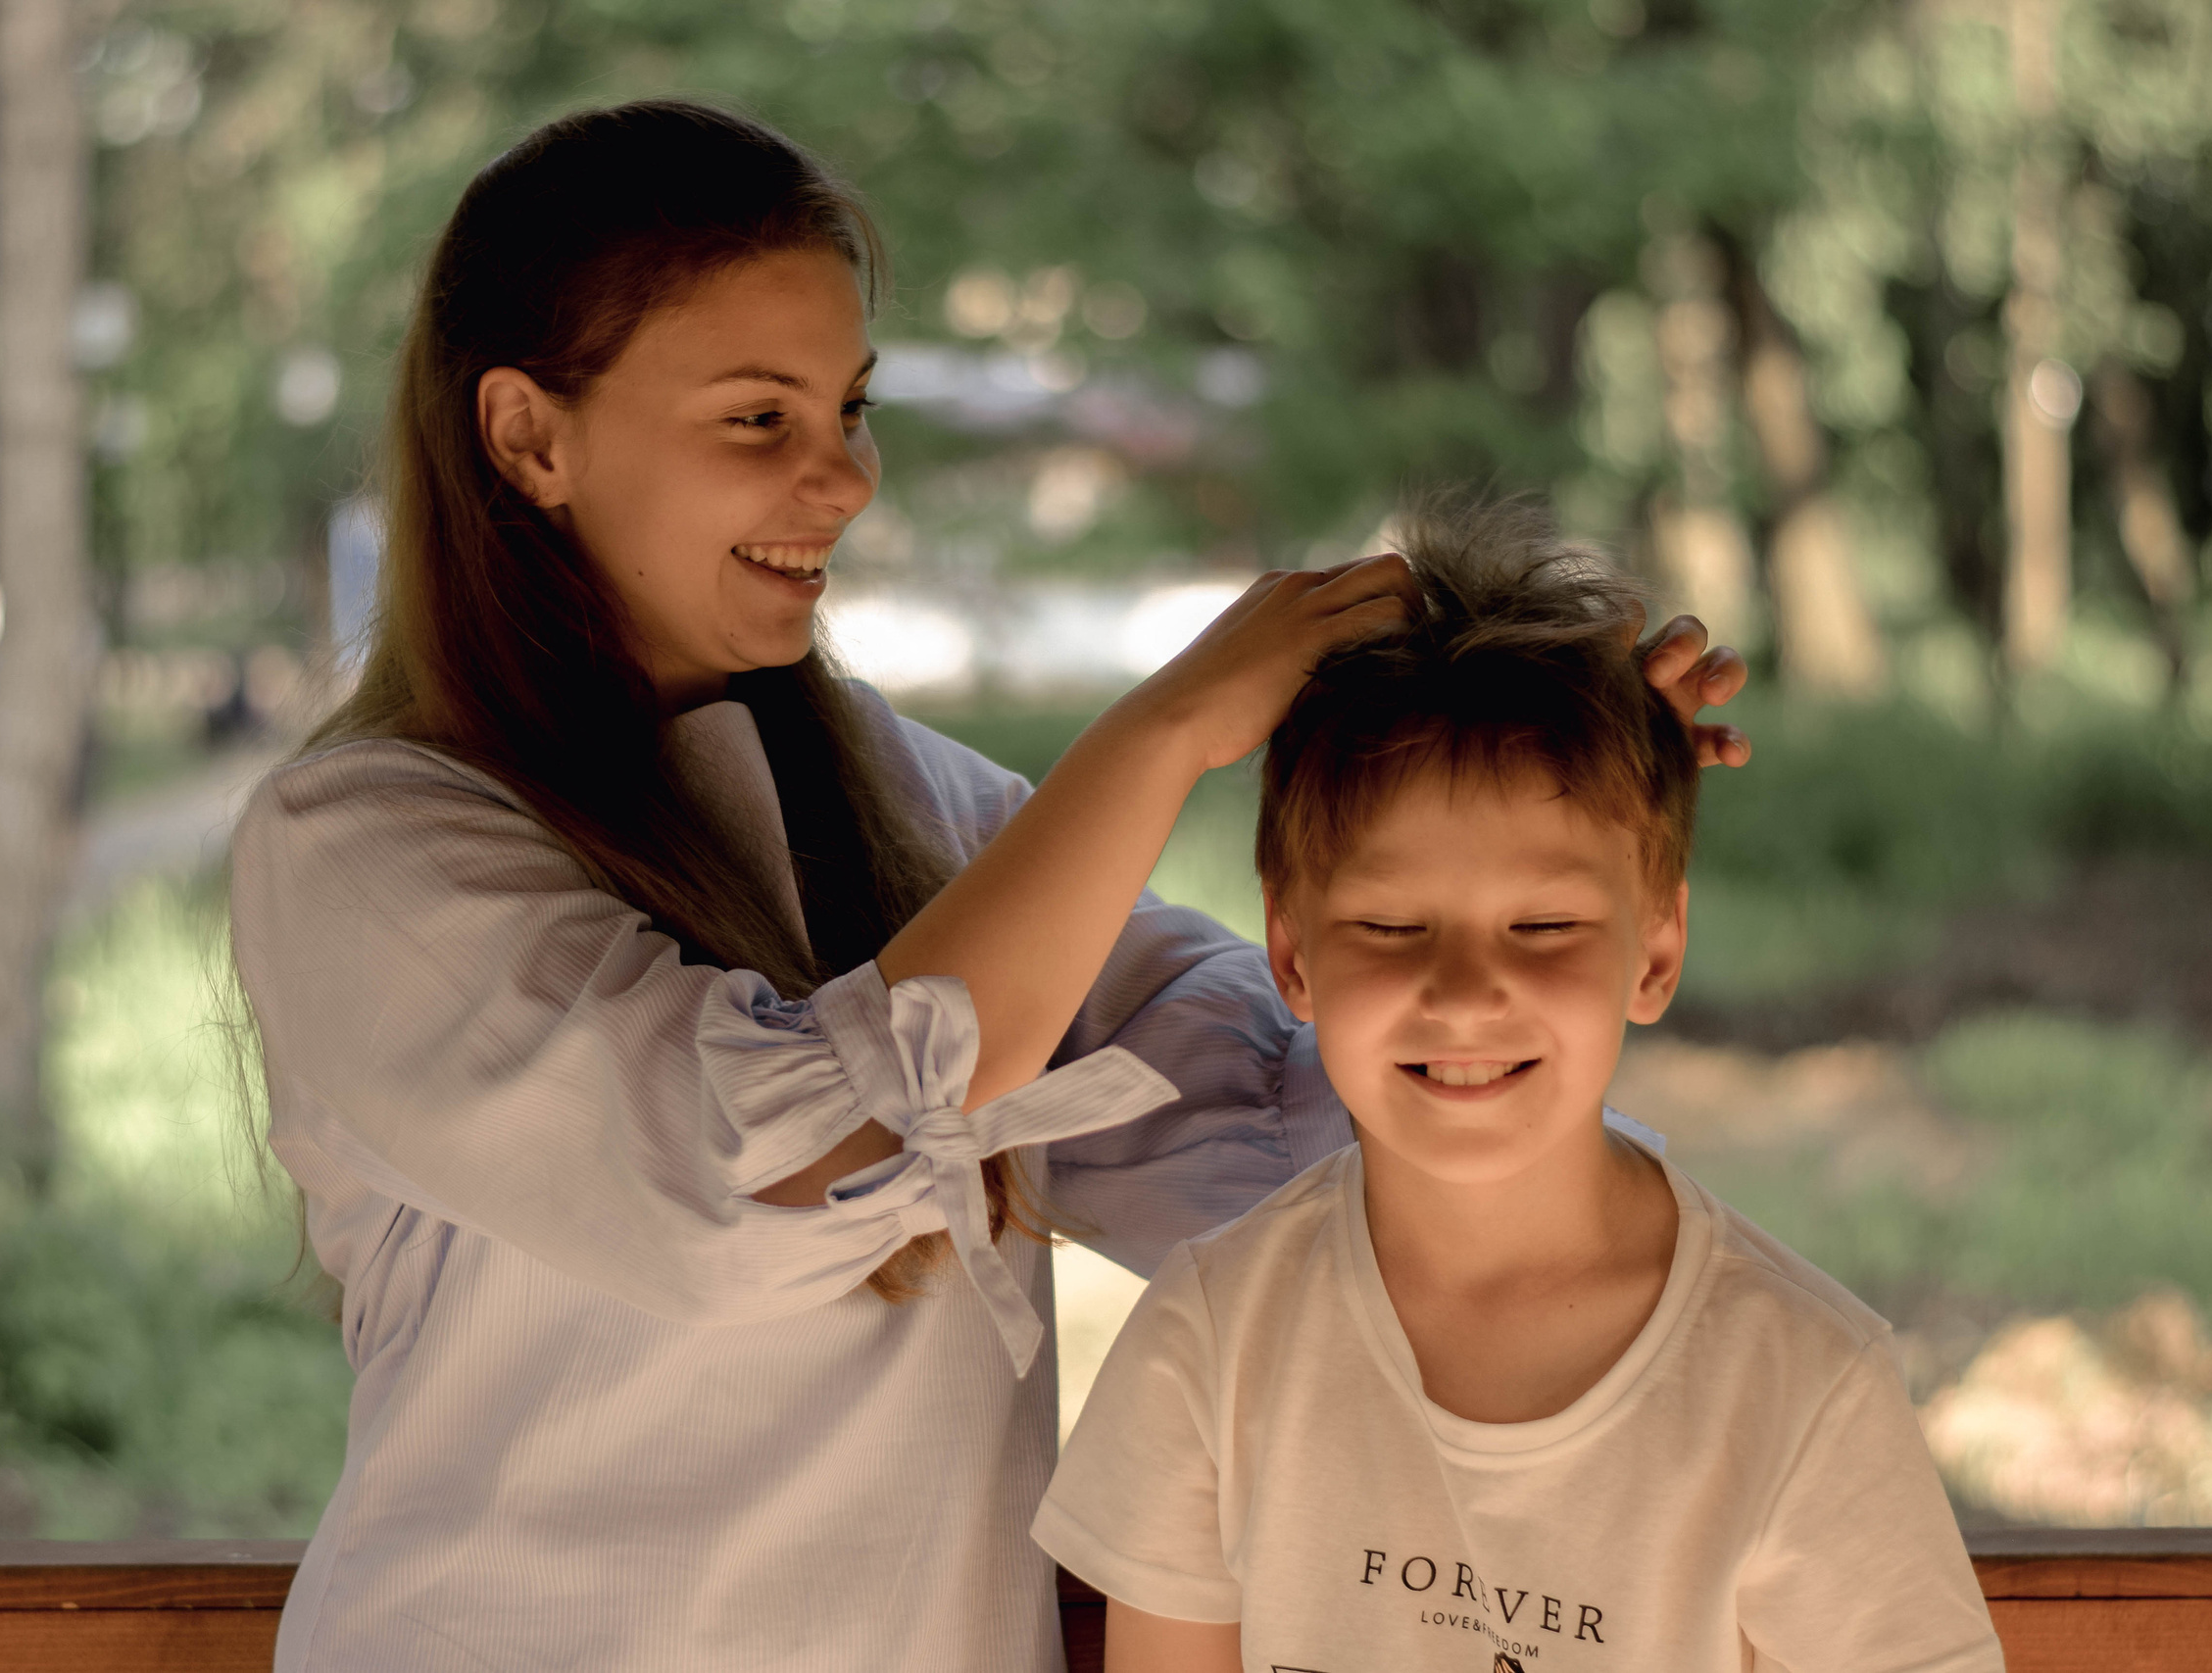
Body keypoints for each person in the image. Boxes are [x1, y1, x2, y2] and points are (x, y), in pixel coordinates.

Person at [228, 102, 1747, 1673]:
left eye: (850, 408)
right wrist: (1162, 733)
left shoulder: (913, 805)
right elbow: (753, 1183)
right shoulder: (362, 846)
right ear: (528, 436)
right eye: (759, 418)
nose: (843, 479)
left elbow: (1293, 1143)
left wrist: (1529, 795)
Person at [1034, 497, 2000, 1673]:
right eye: (1391, 926)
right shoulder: (1209, 1340)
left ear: (1653, 953)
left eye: (1542, 926)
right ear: (1291, 955)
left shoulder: (1797, 1383)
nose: (1462, 991)